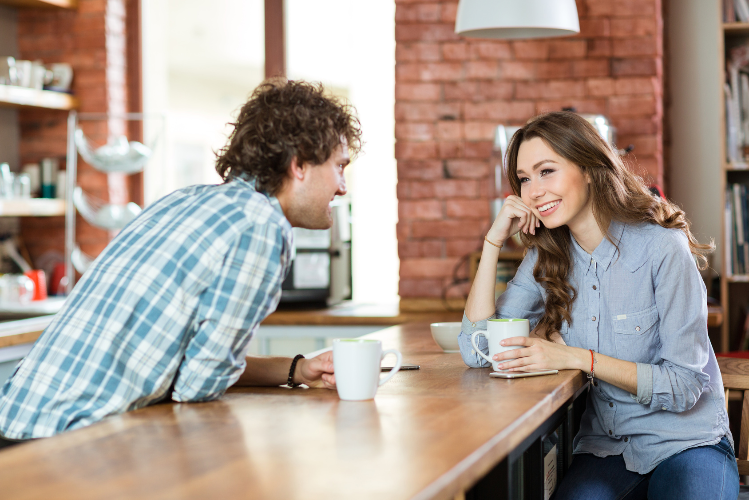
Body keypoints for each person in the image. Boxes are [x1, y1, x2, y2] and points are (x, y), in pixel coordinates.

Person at [0, 79, 360, 445]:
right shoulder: (262, 226)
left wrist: (298, 369)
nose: (343, 186)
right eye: (339, 167)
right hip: (64, 445)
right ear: (299, 164)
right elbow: (198, 385)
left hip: (17, 426)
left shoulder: (184, 200)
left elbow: (194, 364)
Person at [459, 111, 739, 499]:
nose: (533, 192)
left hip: (688, 442)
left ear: (589, 169)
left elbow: (684, 386)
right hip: (607, 448)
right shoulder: (546, 256)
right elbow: (477, 350)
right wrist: (492, 241)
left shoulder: (661, 247)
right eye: (524, 179)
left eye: (546, 171)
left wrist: (576, 357)